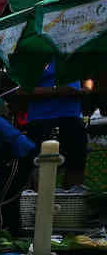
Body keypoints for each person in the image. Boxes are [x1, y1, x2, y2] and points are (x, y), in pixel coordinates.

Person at [25, 61, 93, 189]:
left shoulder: (75, 54)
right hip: (42, 119)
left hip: (72, 116)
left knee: (76, 163)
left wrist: (86, 89)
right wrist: (56, 90)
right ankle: (39, 204)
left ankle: (71, 202)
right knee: (42, 165)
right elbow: (21, 89)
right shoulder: (36, 54)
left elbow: (87, 77)